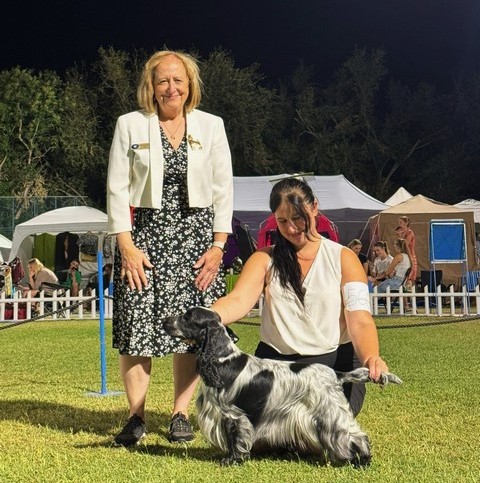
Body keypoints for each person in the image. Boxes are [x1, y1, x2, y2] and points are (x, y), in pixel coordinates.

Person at [107, 49, 233, 446]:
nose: (171, 87)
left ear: (190, 85)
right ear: (151, 86)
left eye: (178, 80)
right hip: (143, 240)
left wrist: (218, 246)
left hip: (197, 240)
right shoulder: (129, 124)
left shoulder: (211, 126)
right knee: (137, 326)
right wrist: (126, 244)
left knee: (192, 328)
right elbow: (116, 188)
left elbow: (223, 188)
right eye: (163, 80)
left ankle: (180, 414)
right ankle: (136, 417)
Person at [211, 178, 390, 417]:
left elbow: (359, 319)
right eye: (282, 221)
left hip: (333, 368)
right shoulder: (264, 259)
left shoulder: (344, 258)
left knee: (322, 429)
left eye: (298, 218)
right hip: (276, 369)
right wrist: (209, 316)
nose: (291, 228)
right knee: (271, 431)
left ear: (314, 207)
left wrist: (371, 357)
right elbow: (238, 300)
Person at [395, 216, 417, 289]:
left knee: (409, 277)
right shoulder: (402, 233)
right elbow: (398, 246)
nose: (399, 224)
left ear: (406, 223)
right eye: (399, 222)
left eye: (401, 222)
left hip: (410, 256)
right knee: (403, 276)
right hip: (403, 256)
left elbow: (405, 244)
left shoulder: (410, 233)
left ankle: (410, 294)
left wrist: (400, 236)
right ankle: (405, 294)